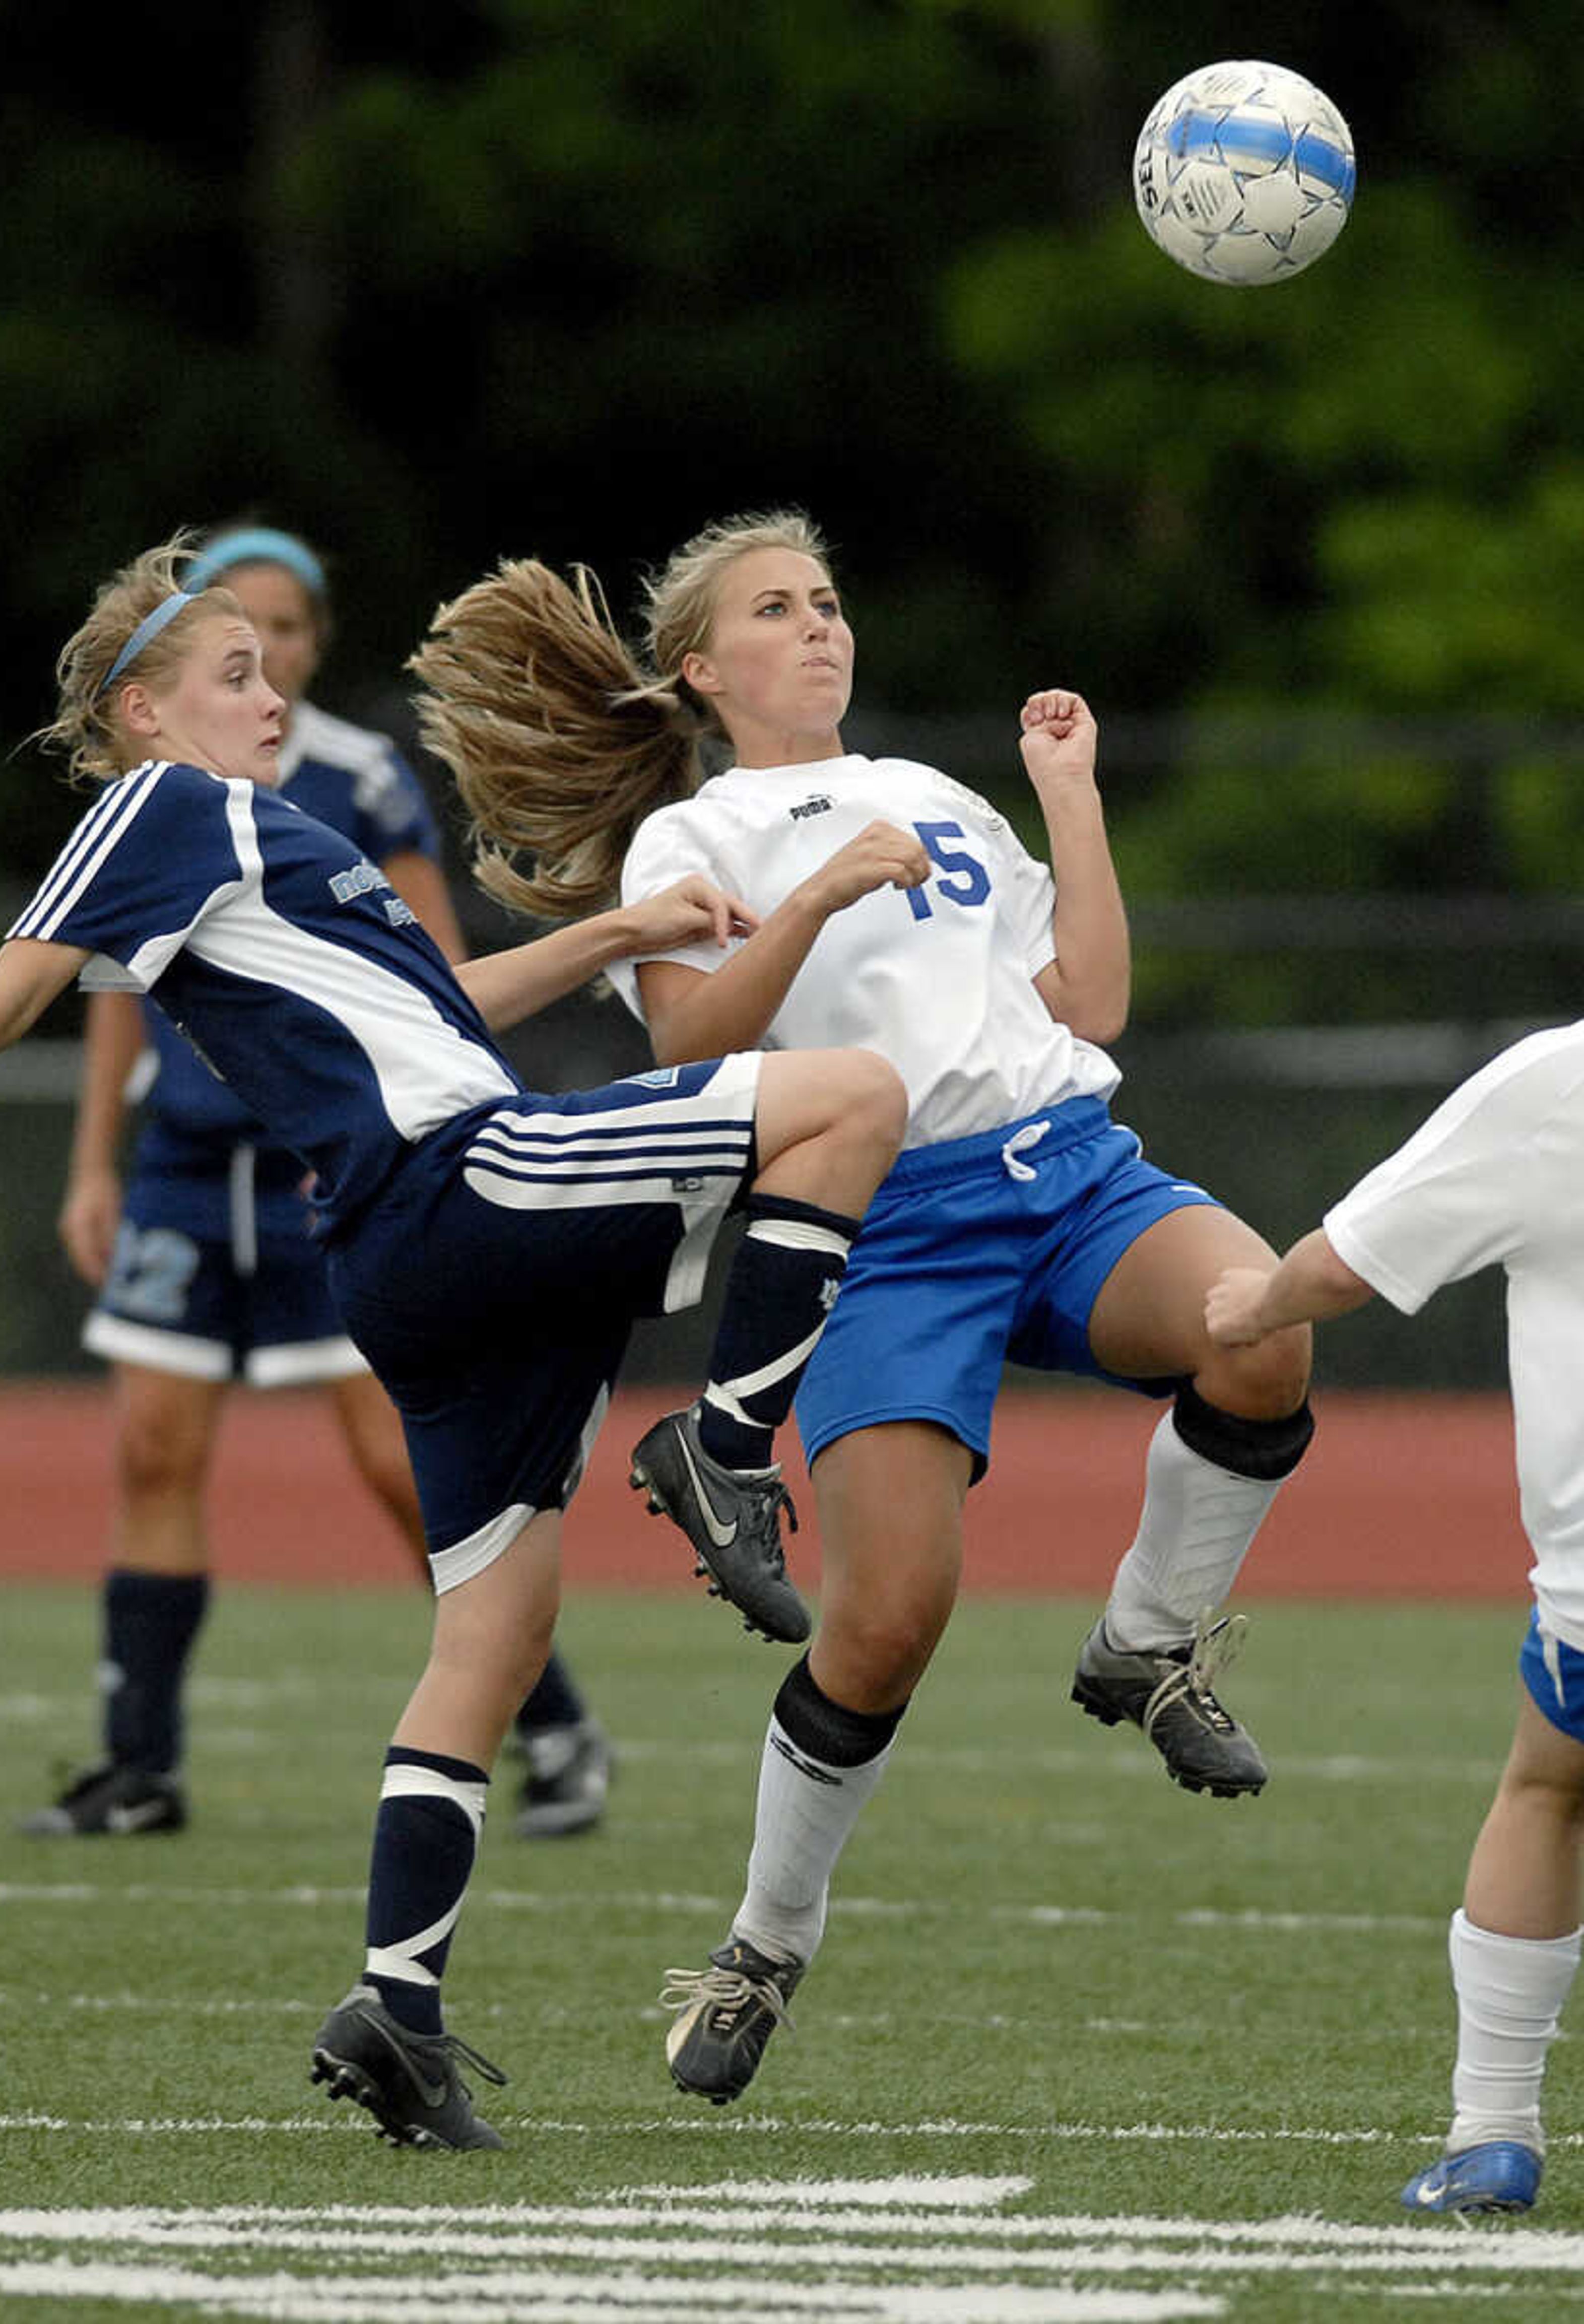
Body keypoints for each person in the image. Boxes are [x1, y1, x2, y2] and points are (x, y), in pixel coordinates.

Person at [0, 535, 907, 2152]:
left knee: (494, 1635)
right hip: (455, 1189)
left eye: (269, 663)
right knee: (853, 1093)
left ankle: (399, 2010)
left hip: (413, 1253)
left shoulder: (272, 833)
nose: (266, 689)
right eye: (229, 673)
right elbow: (7, 992)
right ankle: (722, 1454)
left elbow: (439, 1006)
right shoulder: (164, 805)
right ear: (141, 712)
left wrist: (613, 931)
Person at [410, 509, 1316, 2107]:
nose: (821, 626)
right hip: (889, 1229)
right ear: (705, 668)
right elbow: (697, 1051)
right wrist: (818, 896)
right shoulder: (694, 841)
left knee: (1266, 1324)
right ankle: (765, 1940)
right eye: (778, 607)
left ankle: (1150, 1642)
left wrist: (1072, 800)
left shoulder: (935, 791)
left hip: (1072, 1169)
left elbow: (1089, 1002)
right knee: (888, 1616)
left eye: (829, 599)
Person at [36, 523, 611, 1845]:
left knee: (397, 1462)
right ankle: (140, 1763)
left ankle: (551, 1711)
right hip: (184, 1171)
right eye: (245, 636)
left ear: (316, 635)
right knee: (152, 1445)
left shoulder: (350, 774)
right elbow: (112, 982)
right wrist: (92, 1162)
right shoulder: (159, 794)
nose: (273, 658)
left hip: (330, 1168)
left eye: (286, 630)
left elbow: (440, 976)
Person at [1205, 1021, 1584, 2219]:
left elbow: (1348, 1260)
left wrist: (1251, 1307)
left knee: (1550, 1792)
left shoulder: (1559, 1084)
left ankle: (1493, 2133)